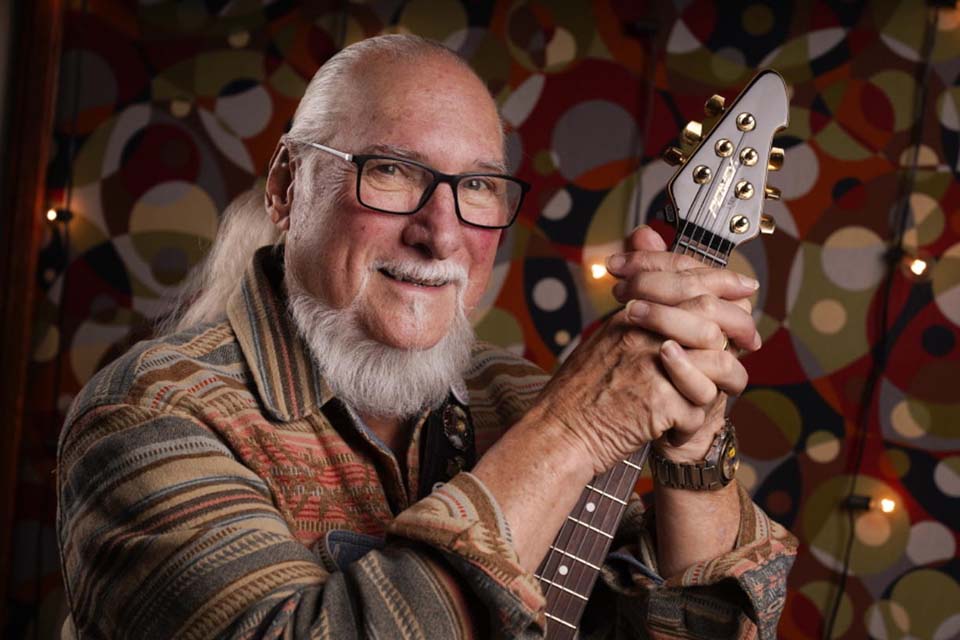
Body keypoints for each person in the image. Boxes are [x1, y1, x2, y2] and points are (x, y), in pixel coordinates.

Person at [57, 34, 796, 639]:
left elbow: (698, 628)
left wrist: (695, 456)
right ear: (286, 186)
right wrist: (573, 431)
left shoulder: (518, 400)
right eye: (392, 171)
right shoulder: (151, 414)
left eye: (477, 186)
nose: (441, 234)